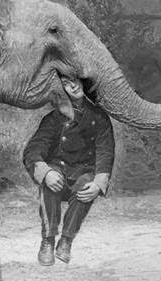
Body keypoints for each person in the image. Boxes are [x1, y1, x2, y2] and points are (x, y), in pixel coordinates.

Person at [23, 77, 114, 266]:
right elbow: (34, 149)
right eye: (65, 83)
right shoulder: (54, 118)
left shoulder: (99, 117)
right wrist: (46, 172)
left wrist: (98, 183)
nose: (73, 85)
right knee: (49, 183)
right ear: (60, 89)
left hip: (84, 171)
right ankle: (48, 240)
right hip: (60, 168)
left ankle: (66, 240)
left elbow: (105, 151)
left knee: (87, 187)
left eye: (75, 80)